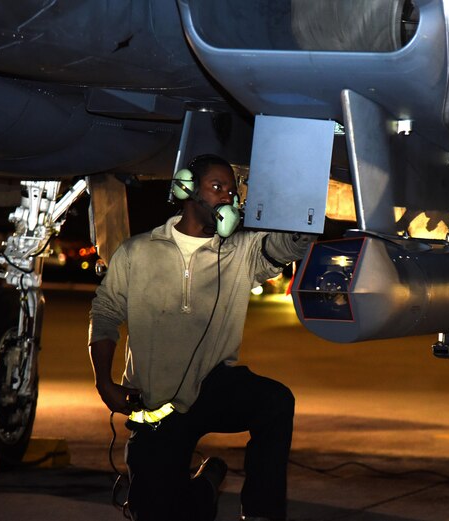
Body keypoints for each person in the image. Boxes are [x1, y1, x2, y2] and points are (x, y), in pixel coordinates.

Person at [88, 154, 313, 521]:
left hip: (215, 386)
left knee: (275, 402)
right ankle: (207, 484)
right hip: (158, 399)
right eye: (217, 187)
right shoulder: (137, 251)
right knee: (155, 511)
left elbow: (286, 246)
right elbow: (105, 313)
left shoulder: (242, 251)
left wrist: (300, 213)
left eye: (232, 191)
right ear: (187, 188)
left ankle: (261, 513)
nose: (227, 198)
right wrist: (103, 382)